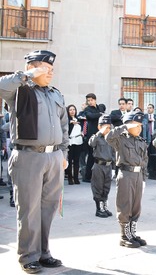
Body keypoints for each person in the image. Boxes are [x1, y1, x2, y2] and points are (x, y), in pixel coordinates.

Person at [0, 50, 67, 273]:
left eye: (52, 70)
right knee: (28, 209)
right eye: (46, 69)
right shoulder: (18, 91)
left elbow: (63, 125)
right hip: (28, 156)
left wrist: (64, 154)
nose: (51, 73)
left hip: (54, 157)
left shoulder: (55, 94)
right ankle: (28, 256)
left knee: (48, 209)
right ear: (34, 67)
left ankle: (43, 252)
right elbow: (1, 85)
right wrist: (26, 75)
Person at [105, 111, 148, 248]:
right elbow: (108, 137)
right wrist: (124, 127)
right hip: (126, 174)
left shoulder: (141, 141)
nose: (139, 128)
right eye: (136, 125)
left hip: (138, 175)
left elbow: (145, 160)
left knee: (136, 205)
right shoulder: (121, 139)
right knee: (125, 204)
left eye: (140, 125)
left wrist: (144, 178)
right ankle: (124, 235)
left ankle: (132, 232)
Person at [89, 114, 115, 218]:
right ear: (99, 127)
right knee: (98, 188)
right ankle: (98, 209)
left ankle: (104, 207)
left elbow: (114, 154)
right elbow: (91, 143)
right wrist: (99, 133)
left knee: (106, 188)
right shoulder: (96, 137)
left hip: (108, 166)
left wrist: (113, 168)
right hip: (98, 166)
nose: (107, 129)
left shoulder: (111, 139)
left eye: (109, 127)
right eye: (105, 127)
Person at [83, 93, 106, 182]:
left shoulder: (99, 108)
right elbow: (90, 116)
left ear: (95, 100)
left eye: (91, 100)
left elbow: (104, 112)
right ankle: (87, 176)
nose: (90, 102)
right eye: (88, 100)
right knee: (91, 156)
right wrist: (100, 114)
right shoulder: (87, 109)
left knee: (100, 156)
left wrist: (100, 113)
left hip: (100, 135)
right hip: (91, 136)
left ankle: (98, 176)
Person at [142, 104, 156, 179]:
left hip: (154, 137)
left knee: (154, 155)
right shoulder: (145, 117)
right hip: (147, 138)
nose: (149, 109)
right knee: (147, 155)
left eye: (150, 108)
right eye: (147, 108)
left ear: (153, 109)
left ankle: (153, 172)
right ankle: (147, 170)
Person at [66, 104, 83, 184]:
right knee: (69, 160)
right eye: (70, 110)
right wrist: (71, 123)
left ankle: (76, 178)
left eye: (74, 109)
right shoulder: (66, 120)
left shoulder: (79, 119)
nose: (72, 111)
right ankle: (70, 178)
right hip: (70, 142)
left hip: (78, 141)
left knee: (77, 161)